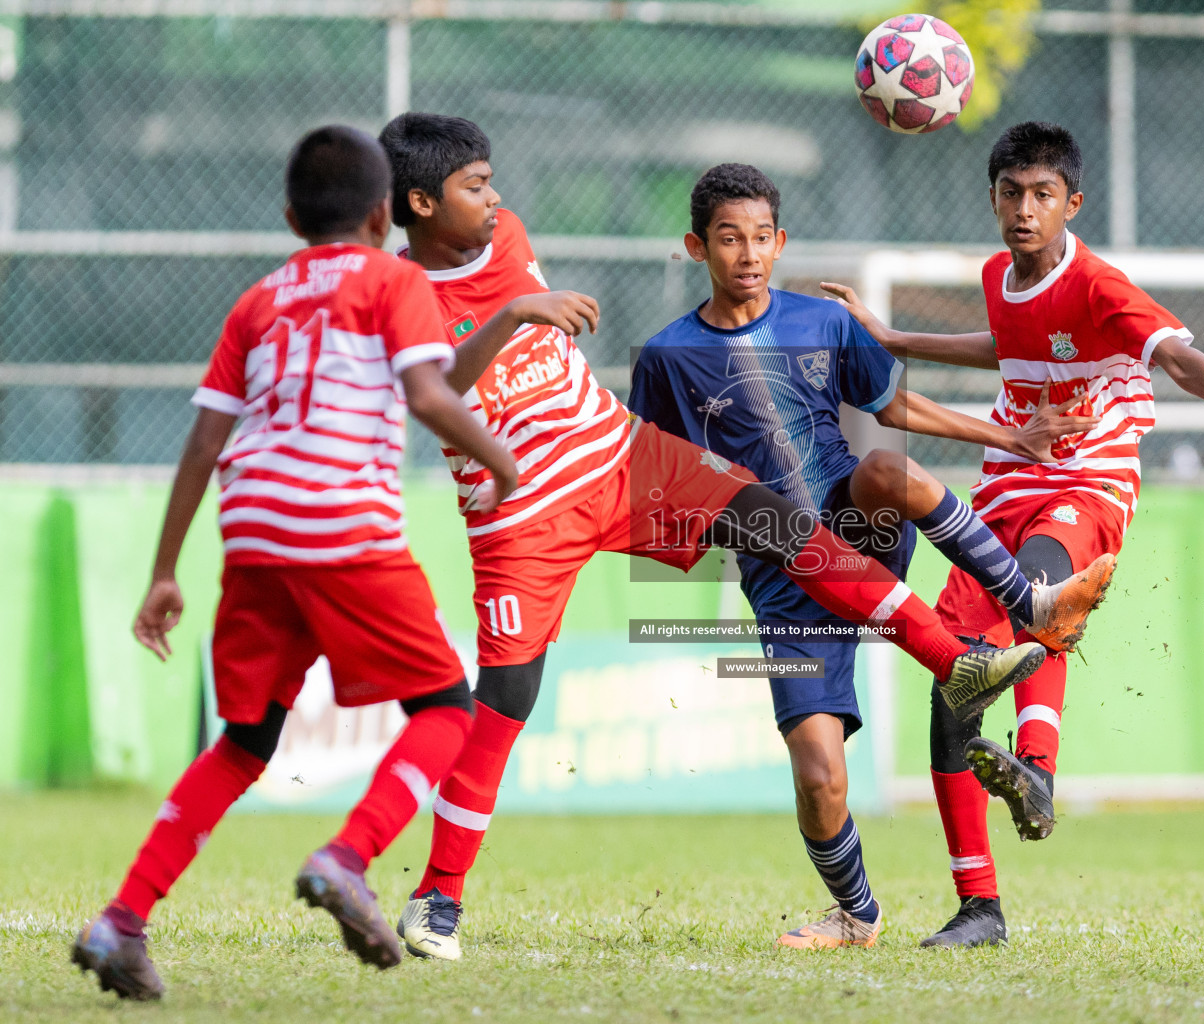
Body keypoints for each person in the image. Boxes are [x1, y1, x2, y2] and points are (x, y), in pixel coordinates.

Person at [377, 113, 1053, 960]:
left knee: (777, 515)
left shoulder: (505, 232)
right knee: (506, 699)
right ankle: (438, 898)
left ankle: (957, 661)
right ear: (419, 202)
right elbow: (431, 389)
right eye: (475, 186)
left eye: (488, 179)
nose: (496, 196)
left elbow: (886, 408)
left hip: (618, 456)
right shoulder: (395, 291)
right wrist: (516, 313)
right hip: (521, 512)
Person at [822, 121, 1204, 948]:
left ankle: (1035, 766)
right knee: (952, 680)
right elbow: (1004, 346)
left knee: (1037, 591)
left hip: (1087, 482)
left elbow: (1179, 359)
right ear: (993, 199)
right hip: (1007, 480)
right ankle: (979, 909)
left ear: (1073, 202)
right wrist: (894, 339)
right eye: (1011, 193)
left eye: (1043, 195)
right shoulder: (999, 274)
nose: (1025, 210)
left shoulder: (1102, 286)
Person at [70, 125, 526, 1000]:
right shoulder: (397, 280)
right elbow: (429, 393)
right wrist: (500, 461)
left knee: (244, 741)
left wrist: (165, 571)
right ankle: (349, 857)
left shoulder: (258, 301)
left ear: (290, 217)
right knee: (446, 710)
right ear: (385, 212)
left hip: (251, 532)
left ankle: (120, 921)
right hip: (341, 527)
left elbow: (206, 440)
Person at [629, 162, 1115, 949]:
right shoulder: (665, 357)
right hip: (781, 574)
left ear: (780, 243)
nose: (747, 254)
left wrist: (1009, 436)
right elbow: (655, 485)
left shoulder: (822, 323)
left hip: (852, 523)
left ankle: (1026, 600)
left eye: (760, 238)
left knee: (884, 467)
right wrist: (720, 524)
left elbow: (896, 406)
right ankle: (856, 914)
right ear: (696, 246)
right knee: (820, 779)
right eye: (728, 239)